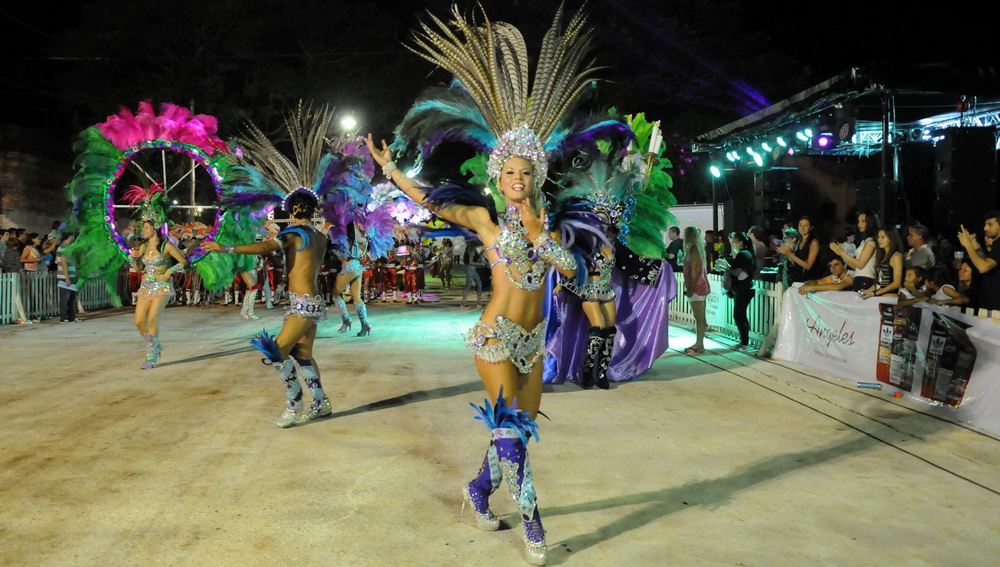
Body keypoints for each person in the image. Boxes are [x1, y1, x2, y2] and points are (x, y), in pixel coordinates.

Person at [203, 191, 333, 426]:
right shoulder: (320, 236)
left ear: (292, 211)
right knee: (303, 355)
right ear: (312, 210)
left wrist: (226, 248)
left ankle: (294, 407)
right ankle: (321, 402)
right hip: (310, 301)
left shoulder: (293, 233)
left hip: (302, 304)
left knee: (277, 352)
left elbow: (266, 247)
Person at [129, 218, 188, 369]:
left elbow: (184, 261)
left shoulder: (166, 246)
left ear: (156, 228)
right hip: (145, 286)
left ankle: (151, 356)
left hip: (162, 286)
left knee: (153, 318)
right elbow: (138, 269)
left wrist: (169, 272)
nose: (145, 230)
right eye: (144, 228)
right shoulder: (143, 246)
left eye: (147, 227)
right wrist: (134, 260)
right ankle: (154, 344)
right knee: (139, 321)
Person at [716, 231, 755, 349]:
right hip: (745, 288)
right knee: (741, 314)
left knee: (739, 315)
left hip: (743, 289)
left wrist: (727, 268)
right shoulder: (747, 254)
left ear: (740, 242)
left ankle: (744, 341)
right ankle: (744, 339)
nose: (733, 243)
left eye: (734, 241)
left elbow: (738, 271)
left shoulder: (743, 255)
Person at [957, 211, 1000, 310]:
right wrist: (971, 243)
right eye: (985, 224)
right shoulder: (996, 246)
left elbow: (983, 267)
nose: (985, 228)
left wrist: (968, 244)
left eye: (990, 224)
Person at [831, 210, 879, 292]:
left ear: (870, 223)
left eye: (863, 221)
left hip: (866, 280)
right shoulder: (863, 242)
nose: (859, 224)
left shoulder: (871, 242)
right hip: (859, 279)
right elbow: (856, 267)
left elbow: (860, 264)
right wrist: (840, 253)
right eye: (859, 221)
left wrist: (842, 252)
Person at [682, 226, 710, 354]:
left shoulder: (693, 251)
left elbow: (694, 271)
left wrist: (690, 288)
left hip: (696, 286)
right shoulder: (698, 250)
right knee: (700, 316)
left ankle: (699, 344)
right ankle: (700, 343)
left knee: (699, 317)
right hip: (701, 285)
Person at [859, 227, 904, 299]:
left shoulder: (896, 257)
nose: (879, 239)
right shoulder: (881, 256)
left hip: (890, 297)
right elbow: (879, 282)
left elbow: (897, 283)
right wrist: (866, 292)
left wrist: (875, 293)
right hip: (880, 295)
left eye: (882, 237)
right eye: (878, 237)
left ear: (891, 238)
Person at [777, 216, 821, 281]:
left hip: (808, 280)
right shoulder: (800, 241)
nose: (802, 228)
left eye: (806, 225)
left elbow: (808, 266)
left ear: (811, 228)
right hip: (797, 278)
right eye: (800, 225)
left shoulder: (814, 242)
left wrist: (789, 253)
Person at [56, 233, 80, 323]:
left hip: (72, 275)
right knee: (65, 298)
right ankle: (64, 317)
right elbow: (63, 263)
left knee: (72, 297)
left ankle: (72, 316)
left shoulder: (68, 247)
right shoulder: (63, 247)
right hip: (65, 276)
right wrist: (67, 278)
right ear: (70, 236)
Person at [461, 244, 485, 309]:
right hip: (470, 268)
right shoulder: (470, 250)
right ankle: (463, 303)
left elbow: (475, 258)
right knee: (468, 284)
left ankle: (479, 301)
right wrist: (481, 264)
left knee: (479, 283)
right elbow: (470, 262)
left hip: (472, 268)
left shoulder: (473, 249)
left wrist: (481, 253)